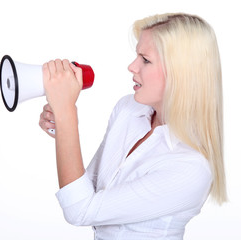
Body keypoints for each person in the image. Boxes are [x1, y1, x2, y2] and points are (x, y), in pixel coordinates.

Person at [39, 13, 227, 240]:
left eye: (145, 60)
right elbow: (86, 190)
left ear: (181, 73)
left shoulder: (191, 167)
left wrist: (66, 114)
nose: (132, 66)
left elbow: (81, 210)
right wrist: (63, 125)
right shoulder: (128, 110)